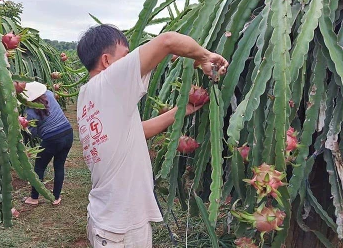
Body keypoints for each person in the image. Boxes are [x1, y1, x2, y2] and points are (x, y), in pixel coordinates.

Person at [76, 24, 228, 247]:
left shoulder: (89, 94)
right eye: (125, 56)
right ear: (107, 61)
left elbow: (136, 131)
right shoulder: (110, 82)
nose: (131, 61)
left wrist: (181, 111)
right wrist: (205, 57)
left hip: (107, 218)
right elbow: (167, 41)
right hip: (121, 229)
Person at [22, 81, 73, 206]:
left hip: (52, 139)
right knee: (59, 166)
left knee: (39, 167)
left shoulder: (30, 112)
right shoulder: (49, 94)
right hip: (68, 132)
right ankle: (56, 198)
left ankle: (34, 198)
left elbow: (32, 133)